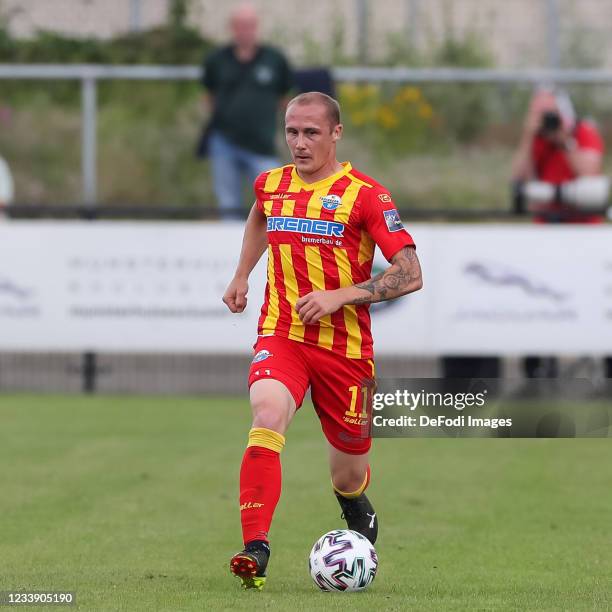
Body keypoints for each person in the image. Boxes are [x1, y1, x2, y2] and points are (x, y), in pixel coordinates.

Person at [222, 91, 423, 590]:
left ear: (336, 133)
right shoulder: (271, 184)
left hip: (346, 351)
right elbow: (260, 216)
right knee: (266, 416)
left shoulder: (366, 195)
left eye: (311, 132)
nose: (299, 142)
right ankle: (256, 547)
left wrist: (342, 296)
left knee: (349, 472)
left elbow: (411, 273)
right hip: (283, 333)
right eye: (292, 132)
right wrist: (242, 274)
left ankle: (353, 501)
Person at [511, 88, 610, 380]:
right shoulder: (537, 140)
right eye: (539, 113)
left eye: (549, 112)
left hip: (584, 230)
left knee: (596, 298)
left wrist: (564, 140)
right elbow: (520, 181)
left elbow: (589, 172)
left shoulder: (583, 133)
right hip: (547, 229)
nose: (545, 119)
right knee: (537, 297)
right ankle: (538, 367)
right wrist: (529, 136)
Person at [201, 3, 293, 220]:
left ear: (256, 27)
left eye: (249, 25)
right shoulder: (217, 60)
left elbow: (286, 97)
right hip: (224, 141)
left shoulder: (274, 59)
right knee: (228, 203)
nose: (245, 30)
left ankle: (274, 247)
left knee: (275, 200)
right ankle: (233, 251)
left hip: (262, 144)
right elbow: (209, 94)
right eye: (240, 25)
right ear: (232, 28)